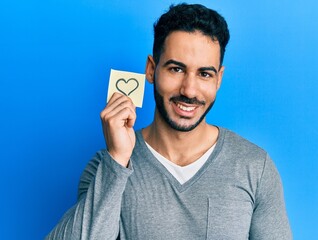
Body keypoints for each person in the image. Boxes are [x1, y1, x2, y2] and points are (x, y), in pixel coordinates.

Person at [46, 3, 292, 240]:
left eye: (204, 74)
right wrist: (118, 160)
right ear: (151, 69)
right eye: (176, 69)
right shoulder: (106, 167)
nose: (189, 90)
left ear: (219, 79)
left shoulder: (254, 167)